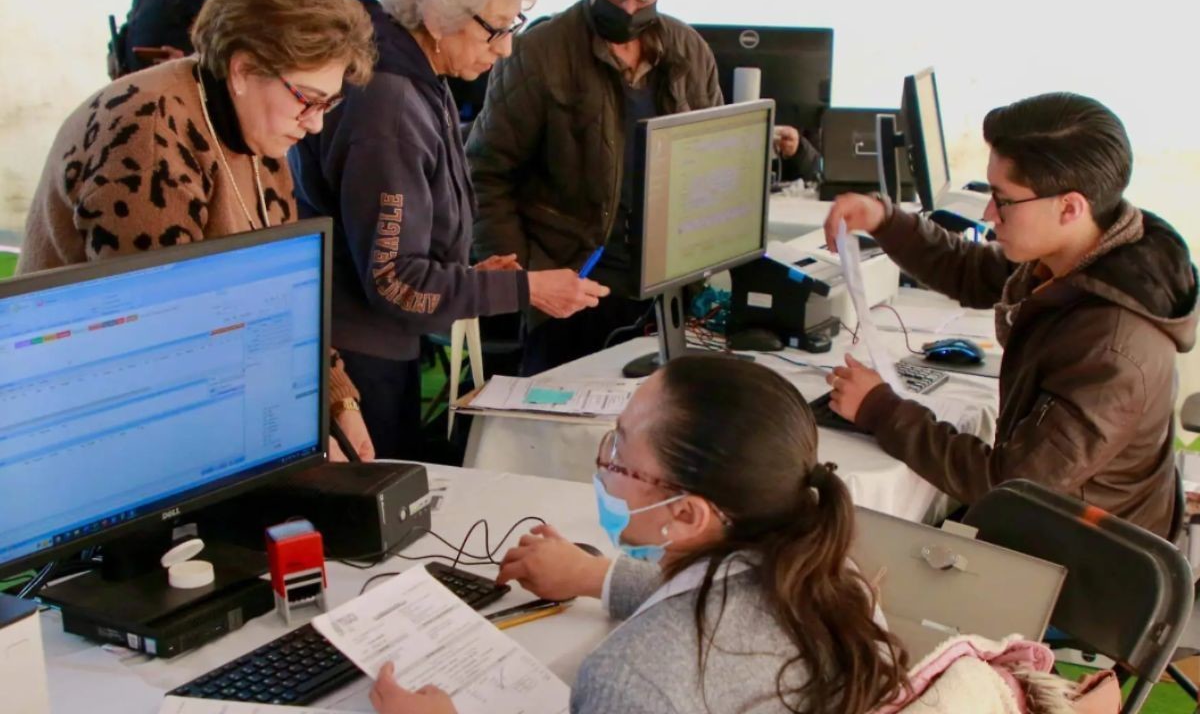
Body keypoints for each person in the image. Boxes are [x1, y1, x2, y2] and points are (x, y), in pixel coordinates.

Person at [367, 356, 908, 713]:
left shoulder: (633, 680)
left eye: (621, 451)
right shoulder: (832, 576)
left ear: (692, 514)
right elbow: (727, 605)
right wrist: (595, 576)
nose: (604, 462)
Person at [21, 0, 379, 461]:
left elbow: (280, 296)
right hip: (87, 430)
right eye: (307, 100)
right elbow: (167, 337)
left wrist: (337, 398)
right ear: (243, 69)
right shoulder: (146, 129)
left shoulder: (257, 135)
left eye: (329, 104)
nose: (315, 125)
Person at [289, 0, 609, 462]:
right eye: (497, 28)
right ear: (442, 15)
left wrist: (466, 279)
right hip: (366, 363)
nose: (506, 49)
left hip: (386, 345)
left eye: (515, 26)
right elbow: (394, 282)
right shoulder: (388, 104)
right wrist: (527, 290)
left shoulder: (413, 73)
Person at [823, 92, 1198, 538]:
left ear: (1070, 206)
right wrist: (885, 220)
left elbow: (1008, 483)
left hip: (1083, 562)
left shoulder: (1113, 350)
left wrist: (880, 409)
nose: (988, 213)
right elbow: (973, 271)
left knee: (853, 553)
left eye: (1003, 200)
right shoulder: (1089, 250)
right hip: (1060, 521)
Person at [467, 0, 724, 375]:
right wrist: (523, 280)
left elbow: (713, 162)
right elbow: (485, 172)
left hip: (667, 288)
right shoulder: (537, 54)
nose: (628, 10)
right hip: (569, 288)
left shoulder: (690, 50)